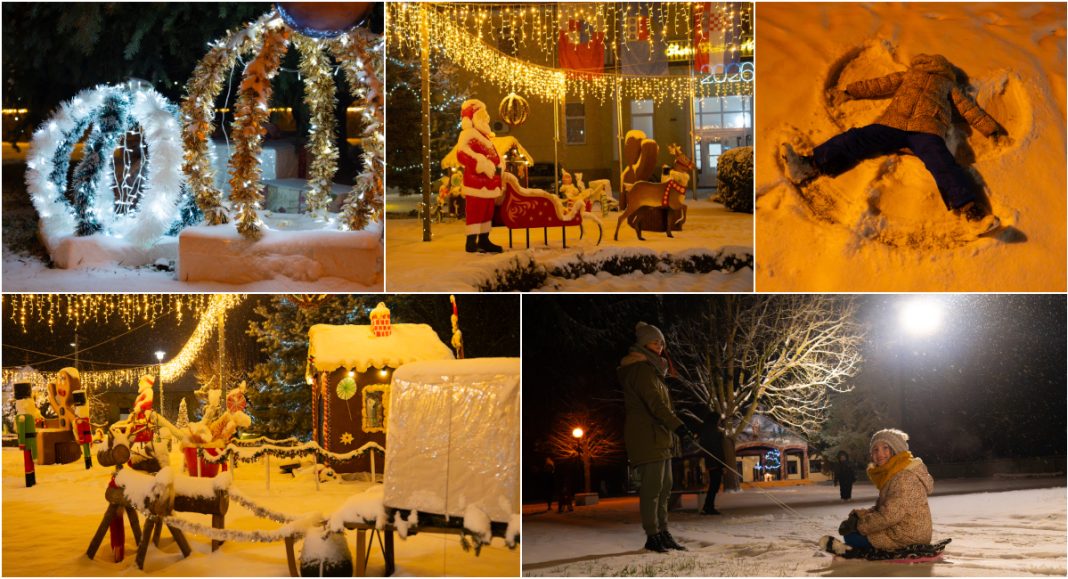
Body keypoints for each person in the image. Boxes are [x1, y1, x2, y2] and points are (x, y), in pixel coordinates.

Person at [780, 53, 1005, 233]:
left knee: (942, 163)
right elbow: (881, 84)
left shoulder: (948, 86)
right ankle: (808, 165)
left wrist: (991, 129)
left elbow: (968, 110)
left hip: (925, 131)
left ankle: (971, 211)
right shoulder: (910, 75)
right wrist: (850, 91)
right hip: (894, 124)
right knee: (856, 138)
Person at [619, 321, 694, 553]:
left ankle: (662, 531)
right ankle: (652, 535)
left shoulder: (652, 369)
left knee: (665, 487)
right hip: (646, 436)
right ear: (642, 344)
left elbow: (663, 407)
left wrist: (674, 429)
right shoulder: (640, 370)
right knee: (652, 489)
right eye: (654, 342)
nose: (660, 346)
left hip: (659, 437)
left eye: (661, 342)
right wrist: (679, 427)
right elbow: (657, 405)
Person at [821, 429, 934, 555]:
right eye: (875, 449)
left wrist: (859, 525)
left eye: (885, 448)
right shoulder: (894, 473)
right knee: (854, 533)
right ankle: (863, 547)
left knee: (852, 536)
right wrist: (859, 516)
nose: (879, 454)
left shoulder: (904, 477)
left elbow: (889, 516)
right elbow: (885, 508)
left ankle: (859, 551)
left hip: (908, 535)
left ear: (896, 449)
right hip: (903, 529)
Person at [455, 99, 504, 254]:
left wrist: (499, 165)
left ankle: (484, 239)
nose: (486, 118)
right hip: (476, 184)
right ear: (472, 119)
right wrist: (481, 163)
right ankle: (471, 242)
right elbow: (461, 154)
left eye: (486, 116)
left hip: (489, 184)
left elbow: (495, 157)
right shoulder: (468, 134)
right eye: (482, 116)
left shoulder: (486, 137)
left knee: (487, 212)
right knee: (476, 211)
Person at [697, 407, 725, 515]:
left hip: (714, 461)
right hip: (715, 461)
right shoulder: (712, 431)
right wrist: (721, 463)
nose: (719, 421)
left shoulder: (708, 430)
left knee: (715, 485)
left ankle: (708, 506)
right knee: (714, 485)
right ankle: (708, 507)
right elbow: (716, 448)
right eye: (718, 419)